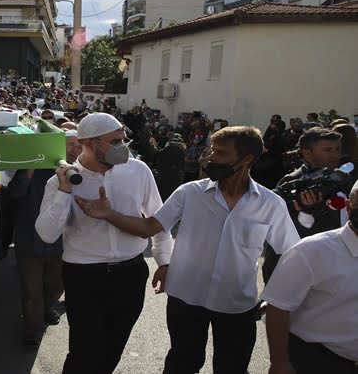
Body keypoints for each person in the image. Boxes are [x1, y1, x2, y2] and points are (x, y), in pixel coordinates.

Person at [86, 126, 300, 374]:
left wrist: (275, 299)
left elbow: (290, 255)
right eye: (212, 151)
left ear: (247, 159)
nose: (211, 158)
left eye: (221, 153)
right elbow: (149, 227)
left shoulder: (270, 204)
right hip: (185, 299)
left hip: (237, 305)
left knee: (232, 367)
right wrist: (109, 214)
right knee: (181, 364)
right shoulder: (189, 193)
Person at [35, 113, 173, 373]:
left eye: (123, 140)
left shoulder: (138, 171)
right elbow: (46, 234)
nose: (124, 147)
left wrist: (164, 261)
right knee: (84, 353)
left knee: (112, 350)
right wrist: (65, 191)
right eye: (115, 141)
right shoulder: (60, 180)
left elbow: (158, 217)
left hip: (130, 274)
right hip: (84, 277)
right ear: (89, 143)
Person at [261, 179, 358, 374]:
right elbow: (277, 307)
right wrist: (280, 362)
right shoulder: (312, 251)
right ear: (348, 207)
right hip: (315, 360)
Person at [3, 130, 80, 349]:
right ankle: (33, 329)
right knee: (31, 290)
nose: (74, 149)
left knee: (56, 285)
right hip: (29, 240)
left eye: (78, 145)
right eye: (70, 144)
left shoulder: (81, 172)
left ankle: (47, 308)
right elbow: (14, 194)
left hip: (63, 243)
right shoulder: (34, 168)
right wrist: (30, 166)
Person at [262, 128, 348, 283]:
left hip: (335, 268)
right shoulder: (291, 184)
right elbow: (279, 237)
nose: (336, 155)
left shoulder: (341, 179)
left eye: (337, 149)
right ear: (307, 153)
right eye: (328, 150)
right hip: (300, 270)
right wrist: (307, 212)